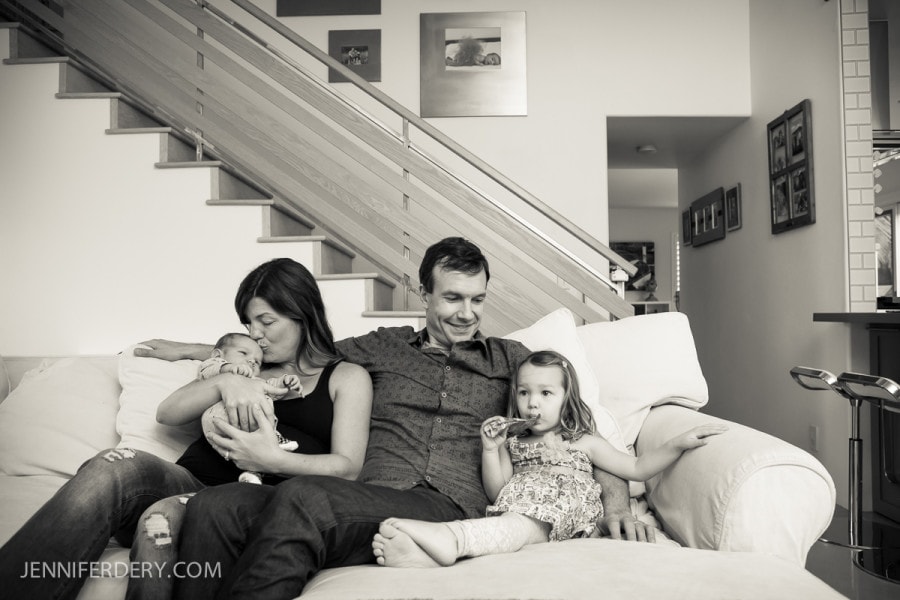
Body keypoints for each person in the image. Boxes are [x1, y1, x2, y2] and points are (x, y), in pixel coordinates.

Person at [137, 237, 657, 600]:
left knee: (304, 496)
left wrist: (618, 505)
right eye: (452, 297)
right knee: (216, 505)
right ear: (423, 292)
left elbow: (583, 428)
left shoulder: (512, 359)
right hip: (366, 497)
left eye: (477, 299)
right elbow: (299, 345)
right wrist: (193, 349)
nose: (466, 313)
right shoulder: (380, 348)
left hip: (445, 505)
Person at [0, 258, 373, 600]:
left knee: (159, 521)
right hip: (189, 479)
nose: (255, 334)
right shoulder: (244, 366)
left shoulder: (346, 378)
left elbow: (348, 467)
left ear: (302, 313)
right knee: (111, 466)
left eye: (266, 321)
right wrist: (226, 381)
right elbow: (168, 412)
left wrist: (270, 457)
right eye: (248, 323)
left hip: (251, 499)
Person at [371, 350, 726, 567]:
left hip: (565, 514)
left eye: (545, 393)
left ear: (565, 397)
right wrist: (491, 449)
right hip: (524, 512)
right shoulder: (516, 443)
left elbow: (635, 467)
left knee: (518, 528)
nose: (532, 403)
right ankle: (425, 560)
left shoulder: (582, 441)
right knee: (514, 527)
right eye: (524, 393)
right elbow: (499, 493)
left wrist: (678, 444)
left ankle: (454, 539)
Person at [196, 332, 305, 485]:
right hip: (220, 423)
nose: (251, 361)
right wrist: (229, 368)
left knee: (259, 445)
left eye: (257, 362)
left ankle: (253, 473)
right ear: (217, 355)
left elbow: (271, 388)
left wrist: (285, 382)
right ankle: (272, 442)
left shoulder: (255, 380)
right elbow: (206, 369)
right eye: (243, 353)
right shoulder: (216, 368)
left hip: (251, 431)